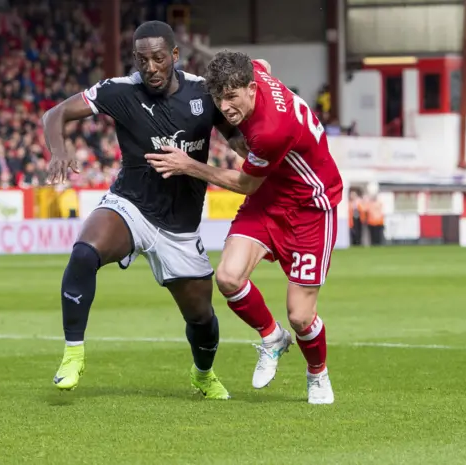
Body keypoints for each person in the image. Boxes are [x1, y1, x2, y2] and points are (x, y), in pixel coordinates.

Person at [42, 22, 245, 400]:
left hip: (180, 228)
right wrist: (58, 150)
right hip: (130, 206)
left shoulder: (203, 92)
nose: (149, 67)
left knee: (201, 317)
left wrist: (249, 151)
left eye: (157, 58)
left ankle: (203, 374)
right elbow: (55, 114)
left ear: (174, 56)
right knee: (84, 253)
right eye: (141, 59)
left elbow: (236, 135)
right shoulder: (118, 90)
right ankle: (73, 353)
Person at [145, 51, 343, 404]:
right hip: (271, 198)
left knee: (300, 316)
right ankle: (272, 338)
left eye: (232, 97)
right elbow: (265, 62)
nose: (225, 107)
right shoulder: (255, 75)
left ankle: (318, 374)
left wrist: (188, 165)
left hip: (311, 206)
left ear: (252, 88)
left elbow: (245, 184)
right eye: (219, 98)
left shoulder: (270, 130)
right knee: (228, 278)